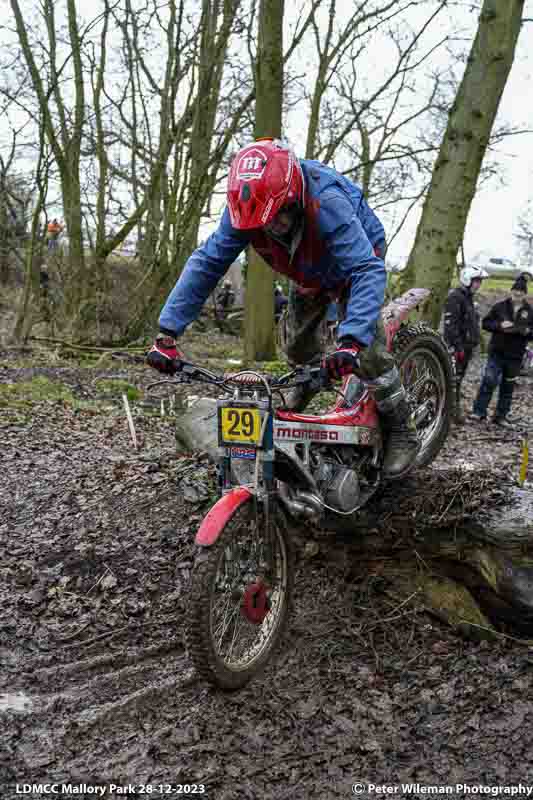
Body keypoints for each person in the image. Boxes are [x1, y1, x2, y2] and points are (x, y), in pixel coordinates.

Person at [147, 138, 419, 478]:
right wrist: (167, 333)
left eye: (275, 220)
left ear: (291, 199)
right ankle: (305, 384)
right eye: (260, 225)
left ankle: (403, 428)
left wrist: (350, 341)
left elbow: (365, 269)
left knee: (369, 355)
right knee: (295, 345)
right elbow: (207, 263)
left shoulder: (327, 200)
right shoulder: (245, 209)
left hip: (356, 261)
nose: (267, 229)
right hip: (305, 267)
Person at [471, 274, 533, 427]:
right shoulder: (500, 306)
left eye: (521, 291)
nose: (517, 293)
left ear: (525, 293)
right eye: (515, 290)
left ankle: (500, 416)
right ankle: (479, 412)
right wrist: (499, 325)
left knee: (508, 387)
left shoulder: (529, 311)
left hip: (516, 356)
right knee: (489, 381)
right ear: (511, 291)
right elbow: (485, 324)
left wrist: (527, 332)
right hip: (497, 352)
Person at [443, 264, 488, 424]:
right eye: (476, 281)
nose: (478, 284)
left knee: (458, 380)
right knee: (452, 381)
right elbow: (450, 325)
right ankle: (451, 414)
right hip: (457, 348)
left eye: (479, 281)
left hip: (467, 347)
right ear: (467, 279)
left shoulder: (468, 298)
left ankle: (452, 413)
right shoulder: (455, 297)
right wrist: (457, 346)